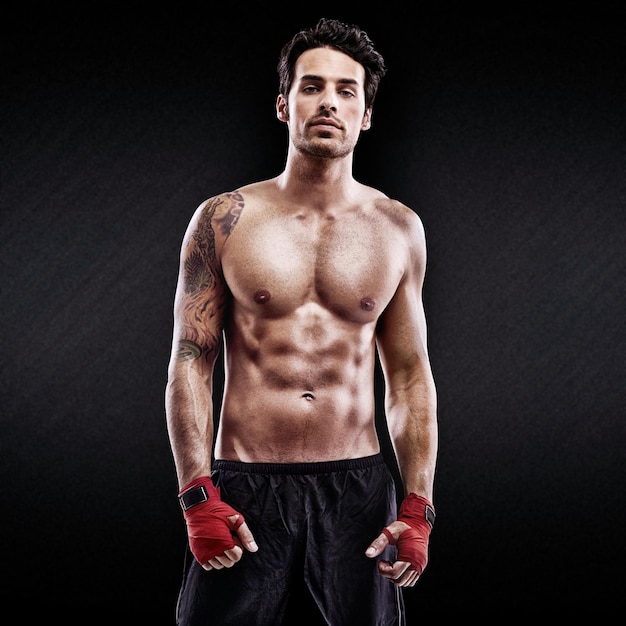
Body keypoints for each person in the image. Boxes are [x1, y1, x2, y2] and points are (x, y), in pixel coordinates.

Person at [165, 17, 438, 626]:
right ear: (284, 104)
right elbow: (190, 361)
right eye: (313, 87)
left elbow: (410, 378)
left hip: (359, 496)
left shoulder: (399, 229)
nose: (329, 103)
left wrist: (418, 505)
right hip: (244, 490)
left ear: (366, 114)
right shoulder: (225, 218)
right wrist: (196, 495)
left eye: (347, 91)